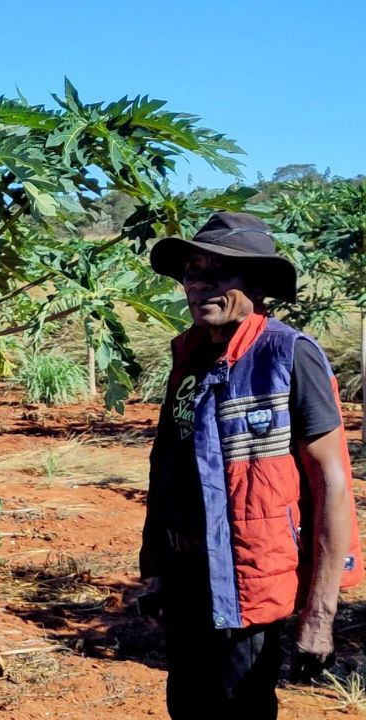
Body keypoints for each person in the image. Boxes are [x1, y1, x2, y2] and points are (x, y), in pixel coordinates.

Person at [139, 211, 363, 719]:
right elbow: (167, 467)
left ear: (257, 286)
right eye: (192, 273)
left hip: (247, 574)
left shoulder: (288, 354)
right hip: (186, 573)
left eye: (218, 273)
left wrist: (320, 614)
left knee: (240, 704)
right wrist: (157, 570)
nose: (199, 285)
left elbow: (332, 482)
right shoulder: (189, 355)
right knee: (187, 704)